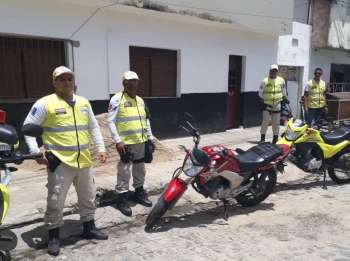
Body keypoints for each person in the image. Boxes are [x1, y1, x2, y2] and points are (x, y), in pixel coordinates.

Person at [23, 66, 108, 256]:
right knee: (56, 199)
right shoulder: (45, 103)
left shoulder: (84, 102)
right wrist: (37, 152)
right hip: (59, 162)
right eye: (61, 79)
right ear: (54, 82)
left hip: (84, 159)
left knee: (88, 195)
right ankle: (54, 235)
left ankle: (89, 227)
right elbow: (28, 128)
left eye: (69, 78)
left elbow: (93, 127)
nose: (66, 82)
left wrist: (101, 148)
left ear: (74, 81)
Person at [107, 71, 154, 217]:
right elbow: (110, 121)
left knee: (140, 168)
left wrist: (150, 138)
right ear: (124, 83)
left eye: (135, 81)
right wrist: (118, 140)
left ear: (138, 83)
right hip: (126, 144)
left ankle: (139, 192)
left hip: (141, 141)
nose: (132, 83)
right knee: (124, 170)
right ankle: (122, 198)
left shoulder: (140, 100)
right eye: (129, 81)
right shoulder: (116, 99)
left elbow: (146, 120)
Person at [259, 64, 288, 144]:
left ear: (277, 71)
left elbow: (284, 91)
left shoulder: (281, 80)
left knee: (276, 123)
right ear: (270, 71)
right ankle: (262, 138)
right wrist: (263, 101)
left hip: (277, 104)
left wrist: (285, 98)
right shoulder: (264, 81)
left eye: (275, 71)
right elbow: (260, 93)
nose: (273, 72)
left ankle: (275, 139)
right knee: (265, 121)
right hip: (266, 105)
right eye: (272, 70)